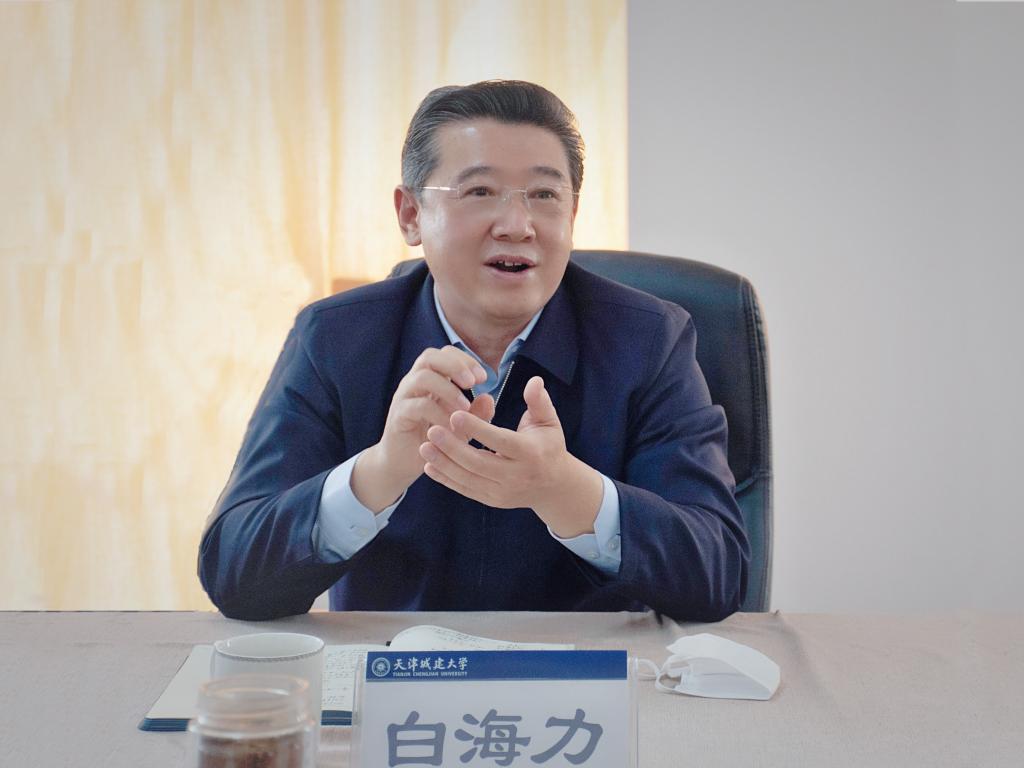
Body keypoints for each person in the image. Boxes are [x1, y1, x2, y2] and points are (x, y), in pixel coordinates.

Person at [199, 80, 749, 622]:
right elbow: (234, 572)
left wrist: (564, 490)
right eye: (480, 192)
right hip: (398, 670)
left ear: (572, 215)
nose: (517, 226)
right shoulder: (334, 338)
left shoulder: (648, 340)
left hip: (584, 670)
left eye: (544, 195)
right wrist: (379, 472)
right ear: (411, 215)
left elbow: (718, 573)